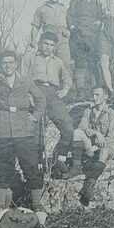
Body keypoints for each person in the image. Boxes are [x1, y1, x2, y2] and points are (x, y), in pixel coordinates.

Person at [0, 50, 47, 212]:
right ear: (0, 65)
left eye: (11, 62)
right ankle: (1, 206)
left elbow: (40, 98)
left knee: (31, 167)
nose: (8, 66)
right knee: (2, 169)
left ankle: (36, 204)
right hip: (3, 130)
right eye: (4, 63)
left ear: (16, 64)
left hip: (24, 130)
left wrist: (35, 117)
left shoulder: (25, 81)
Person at [21, 31, 77, 178]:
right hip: (36, 92)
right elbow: (22, 78)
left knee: (68, 126)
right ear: (40, 43)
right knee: (37, 130)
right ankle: (38, 166)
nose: (48, 47)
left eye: (52, 45)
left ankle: (60, 159)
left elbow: (67, 79)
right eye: (46, 43)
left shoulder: (58, 61)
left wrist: (64, 90)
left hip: (53, 94)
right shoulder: (31, 58)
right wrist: (28, 95)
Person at [73, 87, 114, 206]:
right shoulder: (88, 111)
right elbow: (81, 127)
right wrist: (95, 133)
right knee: (76, 133)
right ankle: (75, 166)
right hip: (92, 145)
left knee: (104, 151)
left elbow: (111, 138)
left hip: (109, 146)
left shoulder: (112, 114)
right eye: (93, 95)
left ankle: (89, 186)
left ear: (105, 97)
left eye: (97, 95)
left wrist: (98, 144)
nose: (94, 98)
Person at [67, 0, 104, 91]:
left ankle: (95, 90)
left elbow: (103, 15)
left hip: (94, 37)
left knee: (94, 63)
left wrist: (100, 22)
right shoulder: (76, 0)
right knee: (80, 63)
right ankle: (80, 90)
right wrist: (72, 27)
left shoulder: (99, 0)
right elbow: (70, 15)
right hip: (79, 36)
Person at [30, 0, 72, 70]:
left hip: (62, 41)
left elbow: (71, 25)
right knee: (46, 65)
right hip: (47, 40)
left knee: (65, 66)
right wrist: (33, 40)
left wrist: (68, 32)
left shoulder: (65, 9)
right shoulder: (41, 9)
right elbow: (35, 26)